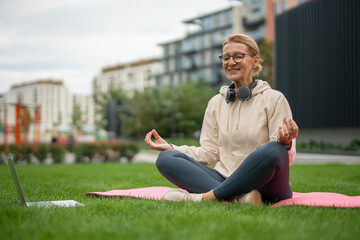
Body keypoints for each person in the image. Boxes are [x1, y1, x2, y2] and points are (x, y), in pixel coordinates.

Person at [145, 34, 299, 205]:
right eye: (225, 58)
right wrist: (171, 147)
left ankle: (206, 198)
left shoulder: (274, 99)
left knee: (275, 149)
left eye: (238, 56)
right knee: (166, 158)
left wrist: (286, 142)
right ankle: (240, 198)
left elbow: (283, 158)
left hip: (266, 185)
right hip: (224, 178)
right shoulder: (215, 103)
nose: (230, 62)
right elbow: (209, 153)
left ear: (255, 61)